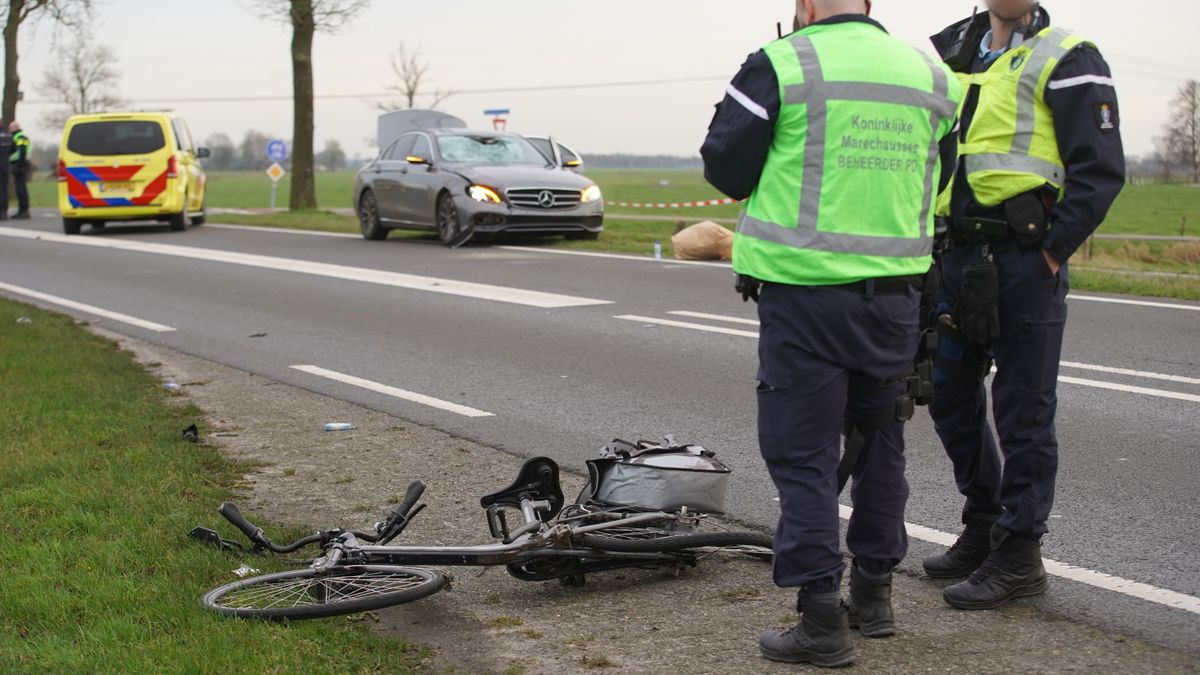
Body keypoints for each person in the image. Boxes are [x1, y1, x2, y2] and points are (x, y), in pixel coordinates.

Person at [701, 0, 962, 667]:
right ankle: (873, 597)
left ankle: (821, 618)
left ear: (808, 5)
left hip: (806, 296)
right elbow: (942, 175)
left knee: (805, 455)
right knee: (880, 438)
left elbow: (725, 167)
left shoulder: (784, 62)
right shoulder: (929, 75)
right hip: (897, 296)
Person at [923, 1, 1125, 610]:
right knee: (948, 394)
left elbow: (1101, 170)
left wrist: (1051, 254)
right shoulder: (954, 52)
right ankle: (984, 522)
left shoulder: (1070, 55)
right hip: (955, 256)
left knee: (1023, 410)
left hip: (1023, 259)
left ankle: (1019, 554)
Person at [10, 121, 31, 219]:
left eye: (11, 129)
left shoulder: (20, 137)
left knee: (21, 188)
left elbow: (22, 151)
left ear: (14, 128)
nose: (10, 131)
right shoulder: (19, 136)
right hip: (20, 164)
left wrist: (18, 165)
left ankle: (24, 210)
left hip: (20, 164)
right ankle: (22, 210)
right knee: (20, 188)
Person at [0, 122, 11, 221]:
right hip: (6, 166)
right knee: (4, 189)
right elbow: (14, 150)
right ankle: (4, 212)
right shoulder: (8, 135)